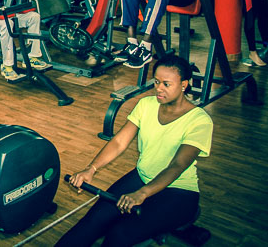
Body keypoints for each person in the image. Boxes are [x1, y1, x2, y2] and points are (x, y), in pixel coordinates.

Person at [57, 54, 213, 247]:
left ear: (184, 85)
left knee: (119, 235)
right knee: (92, 222)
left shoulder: (199, 121)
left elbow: (178, 165)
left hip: (179, 191)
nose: (159, 88)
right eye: (156, 82)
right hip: (142, 176)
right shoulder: (146, 105)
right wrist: (91, 169)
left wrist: (142, 193)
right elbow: (119, 142)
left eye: (166, 84)